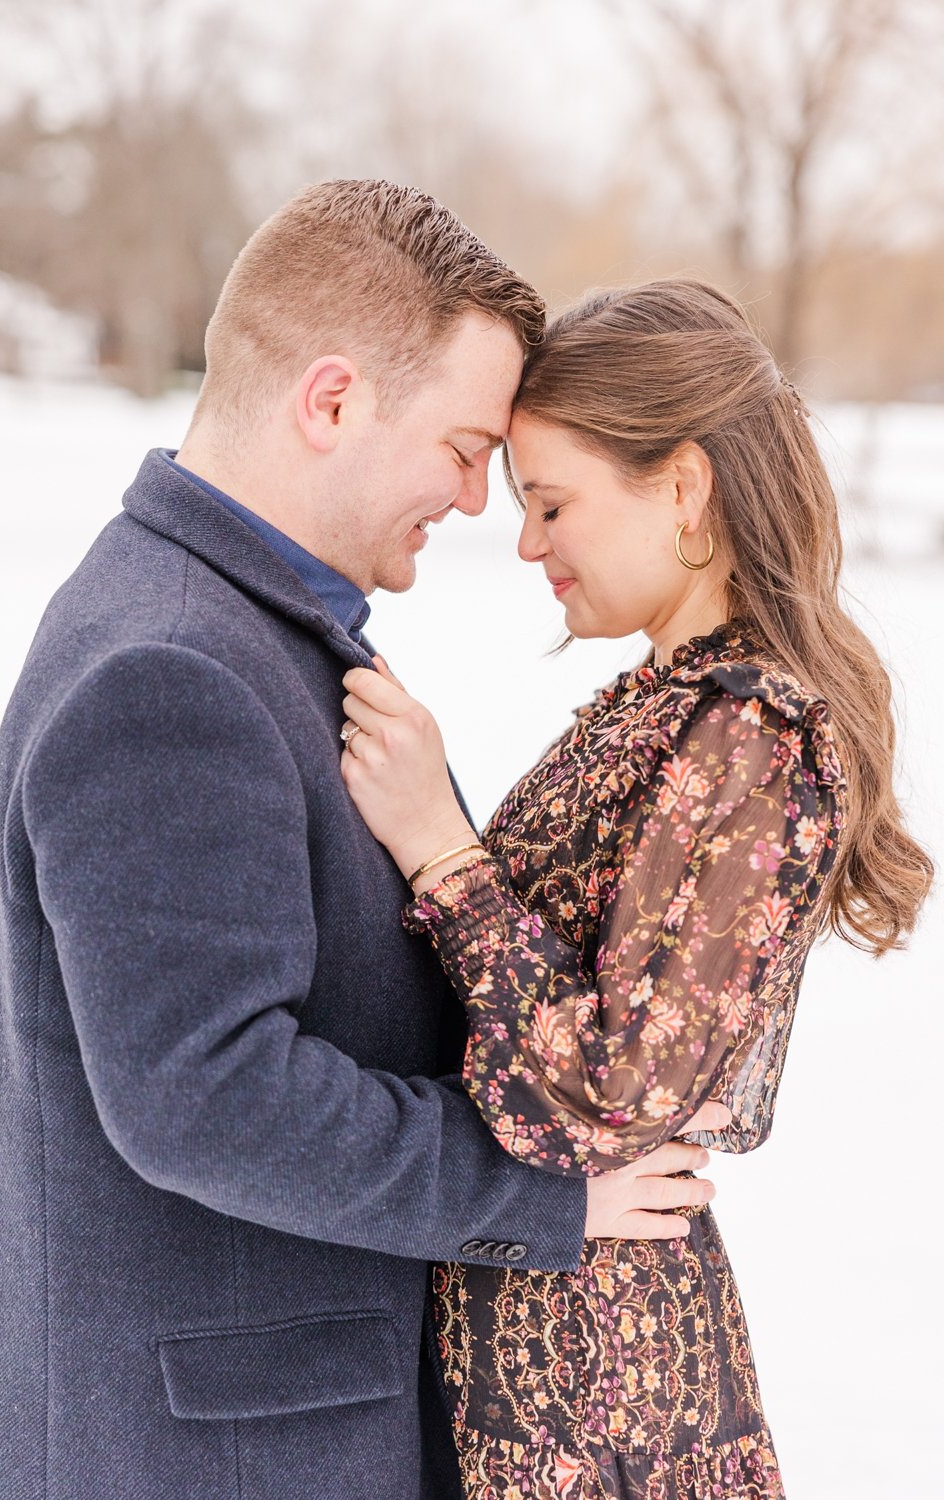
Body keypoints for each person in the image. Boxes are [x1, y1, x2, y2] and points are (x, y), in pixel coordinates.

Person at [0, 185, 725, 1500]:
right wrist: (543, 1192)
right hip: (209, 1457)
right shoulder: (171, 671)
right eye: (464, 445)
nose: (481, 499)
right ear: (331, 401)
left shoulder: (235, 629)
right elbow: (208, 1097)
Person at [339, 278, 934, 1499]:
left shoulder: (750, 730)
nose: (525, 543)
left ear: (683, 486)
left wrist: (441, 852)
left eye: (552, 504)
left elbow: (615, 1090)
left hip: (603, 1385)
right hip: (541, 1338)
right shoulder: (671, 706)